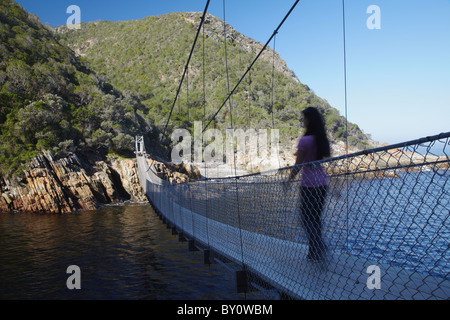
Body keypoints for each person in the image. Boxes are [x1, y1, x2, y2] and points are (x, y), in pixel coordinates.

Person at [286, 107, 330, 261]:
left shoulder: (305, 140)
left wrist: (288, 181)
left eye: (304, 118)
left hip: (308, 185)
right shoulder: (321, 139)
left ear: (309, 120)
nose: (302, 121)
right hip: (322, 184)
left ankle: (319, 248)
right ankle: (314, 253)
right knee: (315, 219)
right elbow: (322, 158)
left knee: (306, 219)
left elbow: (298, 165)